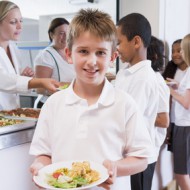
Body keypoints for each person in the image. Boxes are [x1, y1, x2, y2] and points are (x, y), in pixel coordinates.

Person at [29, 9, 153, 190]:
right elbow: (44, 154)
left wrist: (115, 167)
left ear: (112, 57)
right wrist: (40, 167)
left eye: (101, 53)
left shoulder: (124, 103)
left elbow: (142, 158)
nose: (92, 61)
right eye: (83, 51)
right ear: (69, 54)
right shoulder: (53, 104)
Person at [115, 13, 159, 190]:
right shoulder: (124, 73)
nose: (116, 48)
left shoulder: (143, 78)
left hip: (138, 157)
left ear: (136, 42)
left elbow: (128, 118)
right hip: (126, 154)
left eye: (119, 42)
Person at [0, 1, 59, 111]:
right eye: (13, 22)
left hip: (11, 113)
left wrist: (23, 77)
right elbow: (3, 80)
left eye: (21, 21)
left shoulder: (14, 49)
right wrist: (39, 81)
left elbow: (12, 83)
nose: (19, 26)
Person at [34, 17, 75, 108]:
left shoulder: (72, 54)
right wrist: (60, 88)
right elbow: (39, 88)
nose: (65, 37)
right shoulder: (46, 56)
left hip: (67, 104)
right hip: (49, 105)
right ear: (52, 34)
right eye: (61, 33)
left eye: (68, 33)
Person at [167, 33, 190, 190]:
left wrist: (170, 91)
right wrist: (177, 86)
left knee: (181, 172)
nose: (179, 53)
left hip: (184, 126)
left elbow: (187, 103)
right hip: (184, 125)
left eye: (181, 50)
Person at [162, 39, 188, 151]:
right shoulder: (170, 70)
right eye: (173, 51)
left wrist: (171, 91)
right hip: (172, 119)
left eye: (179, 51)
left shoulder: (188, 72)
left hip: (184, 122)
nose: (175, 54)